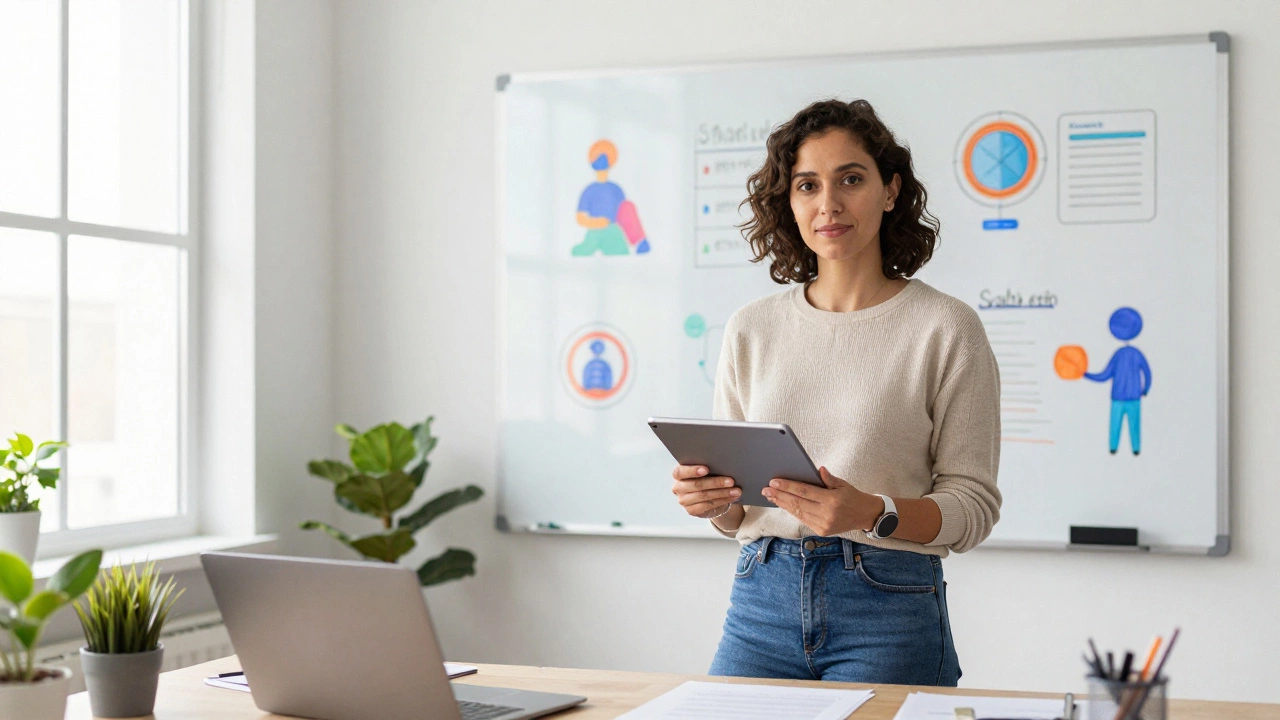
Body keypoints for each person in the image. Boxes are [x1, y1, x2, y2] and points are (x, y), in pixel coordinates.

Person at [669, 99, 1002, 686]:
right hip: (759, 601)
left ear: (891, 190)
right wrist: (715, 501)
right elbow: (738, 513)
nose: (829, 203)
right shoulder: (751, 327)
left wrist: (874, 512)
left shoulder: (946, 328)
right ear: (789, 202)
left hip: (887, 605)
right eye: (807, 185)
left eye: (851, 178)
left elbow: (972, 508)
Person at [1083, 307, 1151, 455]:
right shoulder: (1137, 354)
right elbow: (1147, 372)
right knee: (1135, 426)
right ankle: (1136, 449)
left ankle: (1113, 448)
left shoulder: (1118, 355)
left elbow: (1105, 375)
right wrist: (1145, 389)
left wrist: (1086, 375)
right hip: (1134, 397)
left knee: (1115, 425)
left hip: (1118, 397)